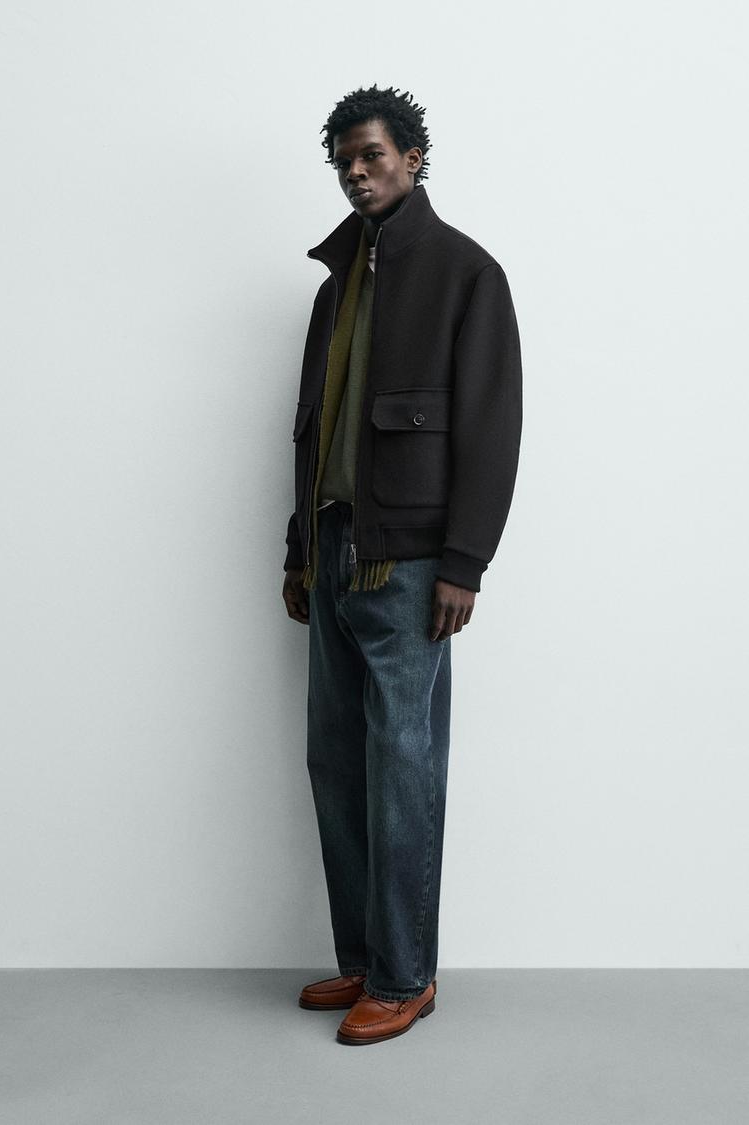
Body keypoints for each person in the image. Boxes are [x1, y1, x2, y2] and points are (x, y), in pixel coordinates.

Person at [282, 84, 523, 1045]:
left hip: (413, 566)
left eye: (372, 154)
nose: (356, 171)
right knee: (335, 759)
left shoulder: (466, 273)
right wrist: (300, 552)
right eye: (343, 159)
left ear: (414, 157)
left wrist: (465, 561)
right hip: (335, 551)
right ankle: (364, 956)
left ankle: (406, 975)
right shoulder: (333, 287)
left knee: (403, 764)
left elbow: (492, 429)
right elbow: (310, 433)